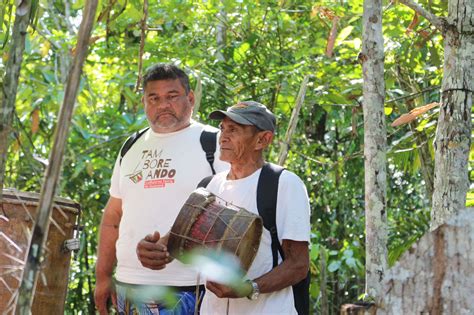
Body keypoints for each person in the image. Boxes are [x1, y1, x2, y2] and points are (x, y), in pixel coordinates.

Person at [137, 101, 311, 314]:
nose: (224, 136)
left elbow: (298, 265)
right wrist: (153, 251)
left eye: (234, 130)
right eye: (223, 128)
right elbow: (176, 242)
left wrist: (249, 288)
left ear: (262, 140)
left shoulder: (283, 184)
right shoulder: (208, 186)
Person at [94, 63, 228, 315]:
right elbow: (113, 217)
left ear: (190, 98)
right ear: (144, 102)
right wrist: (103, 276)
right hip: (128, 285)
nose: (163, 105)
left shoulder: (215, 142)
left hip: (191, 287)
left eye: (172, 96)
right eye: (153, 98)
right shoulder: (131, 146)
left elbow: (234, 212)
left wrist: (174, 244)